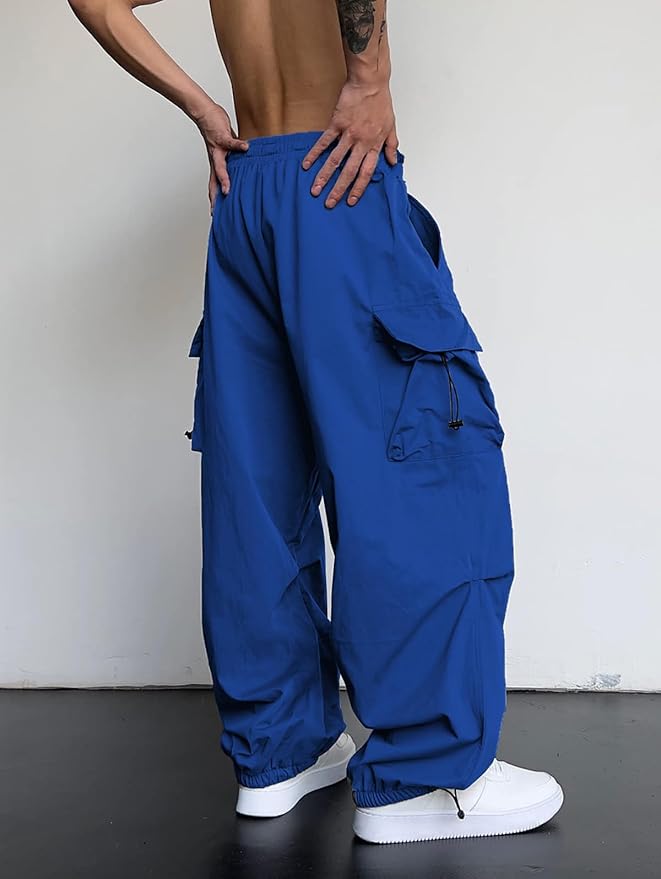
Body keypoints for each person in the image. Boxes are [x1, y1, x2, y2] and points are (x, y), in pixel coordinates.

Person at [68, 0, 563, 844]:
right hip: (338, 179)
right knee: (416, 472)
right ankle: (428, 777)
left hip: (246, 188)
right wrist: (368, 75)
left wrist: (205, 110)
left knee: (258, 482)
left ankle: (280, 751)